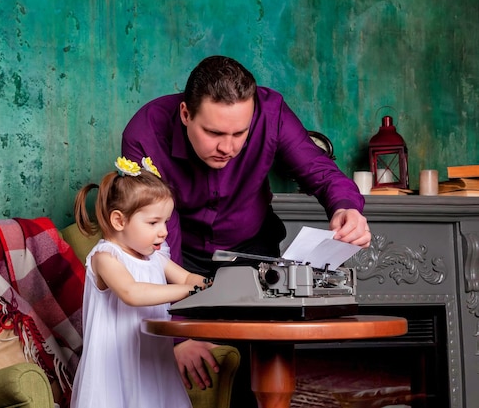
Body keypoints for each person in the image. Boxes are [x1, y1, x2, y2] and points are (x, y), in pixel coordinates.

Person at [121, 55, 372, 406]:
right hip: (178, 258)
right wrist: (177, 334)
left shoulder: (272, 113)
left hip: (255, 255)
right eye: (214, 133)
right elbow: (157, 236)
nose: (229, 147)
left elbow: (320, 171)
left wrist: (346, 208)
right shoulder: (145, 131)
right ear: (185, 114)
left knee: (256, 368)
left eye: (240, 132)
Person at [70, 156, 209, 408]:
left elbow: (188, 277)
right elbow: (132, 293)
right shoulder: (106, 257)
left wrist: (210, 284)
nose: (164, 231)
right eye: (153, 222)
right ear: (119, 221)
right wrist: (190, 289)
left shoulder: (155, 256)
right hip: (115, 368)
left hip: (153, 361)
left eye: (165, 221)